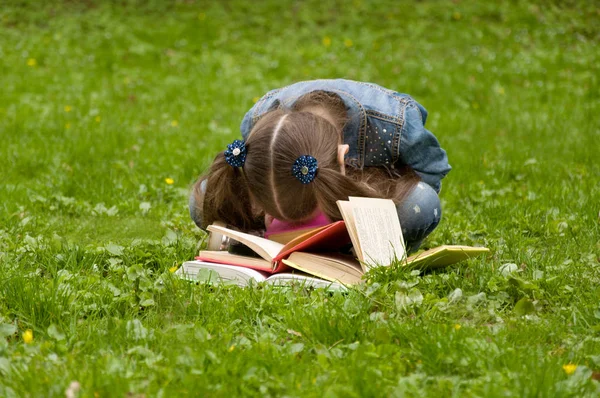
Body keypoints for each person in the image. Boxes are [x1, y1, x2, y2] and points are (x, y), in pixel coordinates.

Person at [189, 79, 451, 253]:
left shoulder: (396, 122)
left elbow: (432, 171)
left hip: (374, 195)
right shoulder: (259, 122)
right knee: (204, 198)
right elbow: (259, 175)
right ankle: (270, 240)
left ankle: (351, 247)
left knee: (421, 202)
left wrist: (375, 203)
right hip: (291, 193)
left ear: (342, 158)